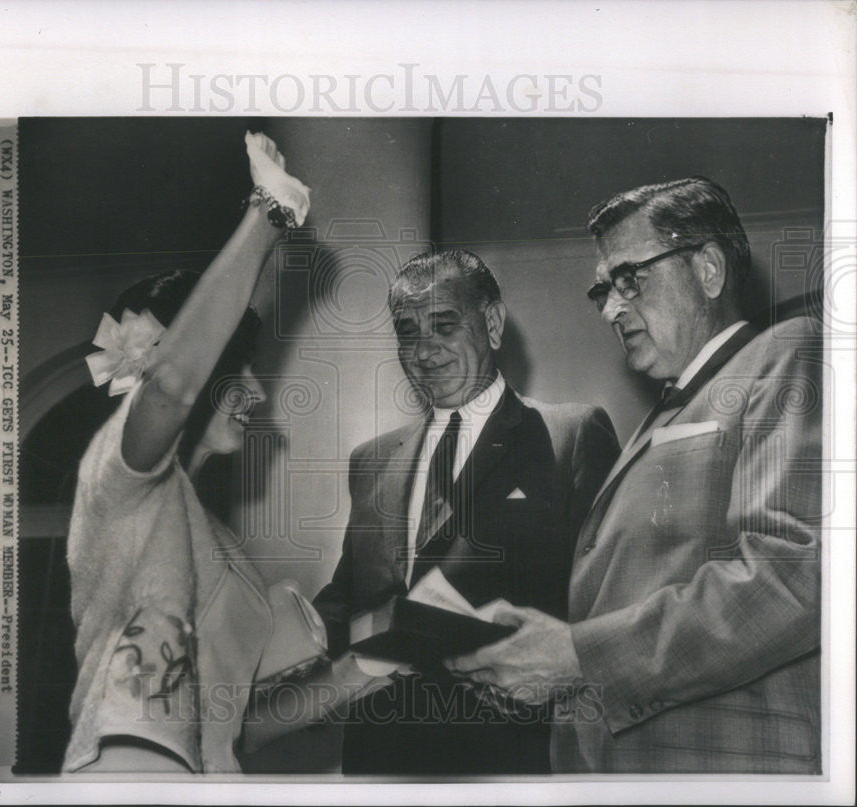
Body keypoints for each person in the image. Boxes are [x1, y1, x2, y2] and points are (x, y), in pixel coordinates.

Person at [446, 177, 823, 773]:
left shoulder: (789, 353)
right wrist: (538, 651)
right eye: (603, 291)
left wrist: (578, 655)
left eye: (629, 279)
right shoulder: (667, 410)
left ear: (708, 269)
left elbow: (794, 576)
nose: (612, 309)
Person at [63, 133, 380, 774]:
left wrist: (390, 655)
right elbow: (172, 387)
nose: (257, 393)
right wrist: (270, 210)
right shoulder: (115, 485)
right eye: (235, 373)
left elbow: (240, 730)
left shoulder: (225, 546)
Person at [312, 249, 620, 774]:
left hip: (510, 761)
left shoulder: (571, 435)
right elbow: (345, 603)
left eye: (444, 325)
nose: (425, 350)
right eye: (407, 331)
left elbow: (606, 607)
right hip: (378, 759)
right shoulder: (372, 460)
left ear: (493, 324)